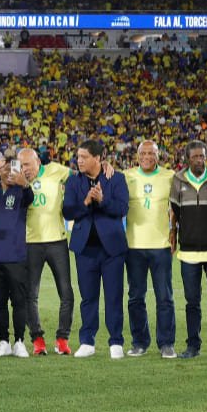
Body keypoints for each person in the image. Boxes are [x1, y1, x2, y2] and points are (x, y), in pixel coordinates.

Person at [63, 139, 130, 359]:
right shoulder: (74, 182)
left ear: (97, 158)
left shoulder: (116, 178)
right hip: (85, 249)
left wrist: (101, 200)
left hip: (112, 249)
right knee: (88, 297)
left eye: (83, 157)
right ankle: (87, 341)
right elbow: (68, 211)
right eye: (78, 157)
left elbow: (121, 208)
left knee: (113, 296)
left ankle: (116, 342)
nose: (79, 161)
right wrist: (85, 202)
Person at [169, 141, 207, 361]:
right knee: (192, 302)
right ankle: (193, 345)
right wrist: (173, 236)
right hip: (188, 252)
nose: (199, 160)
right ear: (187, 158)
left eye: (202, 156)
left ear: (206, 157)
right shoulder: (178, 181)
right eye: (194, 157)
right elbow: (174, 213)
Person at [16, 147, 74, 356]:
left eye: (27, 165)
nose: (24, 169)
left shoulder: (56, 171)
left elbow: (79, 177)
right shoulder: (18, 181)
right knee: (30, 295)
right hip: (31, 243)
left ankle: (62, 339)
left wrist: (105, 166)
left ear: (38, 163)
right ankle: (37, 339)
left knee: (66, 293)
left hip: (57, 241)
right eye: (21, 165)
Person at [123, 140, 177, 358]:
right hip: (133, 245)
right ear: (137, 156)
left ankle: (166, 344)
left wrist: (175, 230)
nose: (146, 156)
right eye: (143, 153)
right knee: (136, 297)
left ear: (158, 155)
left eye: (151, 153)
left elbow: (176, 207)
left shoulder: (170, 176)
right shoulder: (125, 176)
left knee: (165, 297)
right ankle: (139, 342)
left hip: (161, 245)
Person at [0, 158, 33, 358]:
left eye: (12, 169)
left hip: (16, 256)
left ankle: (19, 341)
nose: (8, 172)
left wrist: (24, 182)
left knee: (19, 301)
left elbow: (30, 196)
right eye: (4, 169)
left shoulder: (21, 191)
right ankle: (3, 340)